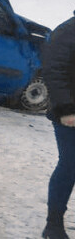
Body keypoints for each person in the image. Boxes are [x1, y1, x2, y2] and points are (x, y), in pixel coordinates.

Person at [42, 13, 75, 239]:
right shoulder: (67, 31)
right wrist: (66, 109)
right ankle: (53, 224)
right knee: (70, 166)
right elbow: (53, 70)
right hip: (70, 114)